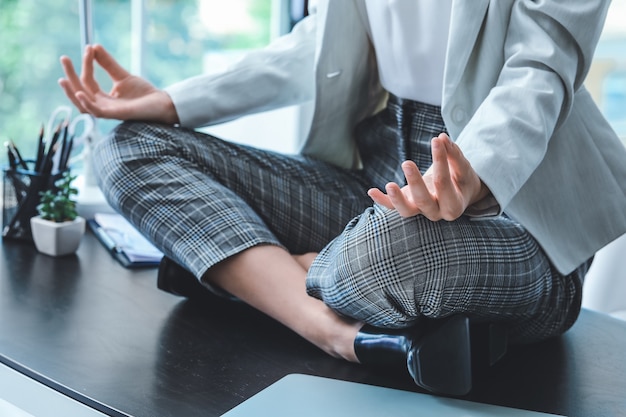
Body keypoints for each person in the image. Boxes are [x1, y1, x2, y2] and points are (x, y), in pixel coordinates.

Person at [58, 0, 626, 396]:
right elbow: (317, 43)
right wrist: (174, 102)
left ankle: (252, 278)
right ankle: (331, 327)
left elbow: (541, 69)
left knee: (386, 255)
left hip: (517, 209)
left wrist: (473, 173)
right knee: (128, 150)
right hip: (377, 173)